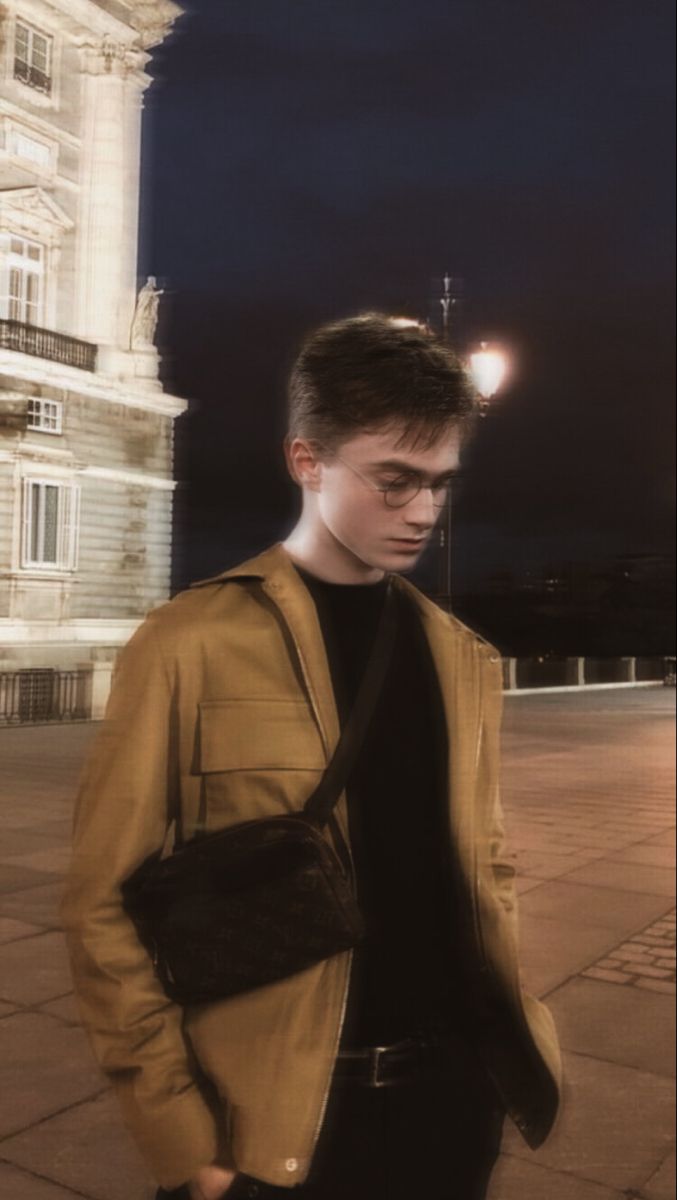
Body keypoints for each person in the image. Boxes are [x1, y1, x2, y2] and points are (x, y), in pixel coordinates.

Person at [61, 313, 562, 1200]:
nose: (423, 513)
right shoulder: (186, 642)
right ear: (307, 461)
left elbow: (483, 863)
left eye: (439, 485)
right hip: (276, 1134)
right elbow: (102, 900)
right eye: (394, 481)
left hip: (451, 1112)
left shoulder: (460, 656)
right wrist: (184, 1136)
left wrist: (507, 1053)